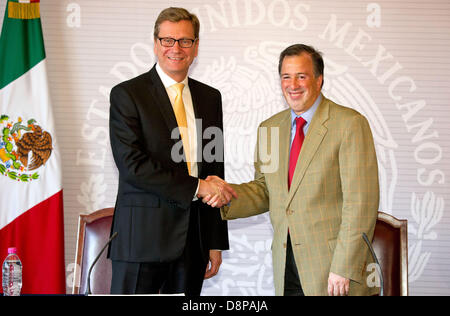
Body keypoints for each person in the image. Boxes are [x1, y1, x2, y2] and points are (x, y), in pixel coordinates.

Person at [201, 44, 380, 296]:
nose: (292, 84)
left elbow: (360, 204)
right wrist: (224, 195)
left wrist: (344, 267)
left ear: (319, 80)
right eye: (286, 76)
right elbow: (265, 190)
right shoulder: (270, 129)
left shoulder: (349, 124)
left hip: (334, 271)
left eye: (301, 76)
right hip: (286, 266)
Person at [107, 7, 236, 295]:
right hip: (141, 242)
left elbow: (214, 170)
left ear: (196, 46)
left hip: (194, 243)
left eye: (185, 41)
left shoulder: (210, 97)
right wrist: (198, 186)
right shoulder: (128, 94)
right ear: (155, 44)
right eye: (168, 40)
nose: (176, 48)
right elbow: (132, 165)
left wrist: (214, 241)